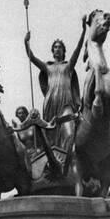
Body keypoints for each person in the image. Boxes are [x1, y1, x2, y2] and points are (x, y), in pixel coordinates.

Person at [24, 15, 87, 151]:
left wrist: (83, 31)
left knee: (69, 133)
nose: (57, 49)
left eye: (60, 47)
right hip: (51, 102)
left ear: (64, 51)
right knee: (51, 136)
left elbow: (78, 49)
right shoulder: (48, 67)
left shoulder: (68, 66)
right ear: (52, 51)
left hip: (66, 102)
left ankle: (67, 157)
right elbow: (32, 58)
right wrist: (26, 43)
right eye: (55, 47)